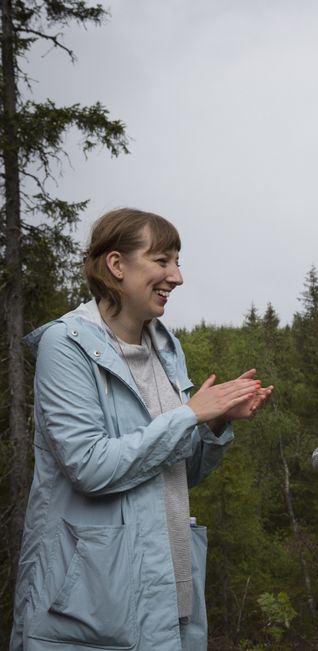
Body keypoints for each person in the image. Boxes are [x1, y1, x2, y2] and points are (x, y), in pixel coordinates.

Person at [11, 208, 273, 651]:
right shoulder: (66, 346)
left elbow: (176, 471)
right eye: (163, 260)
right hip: (92, 609)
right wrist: (189, 415)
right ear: (117, 265)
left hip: (169, 595)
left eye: (178, 261)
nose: (177, 276)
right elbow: (90, 467)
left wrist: (216, 422)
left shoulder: (166, 350)